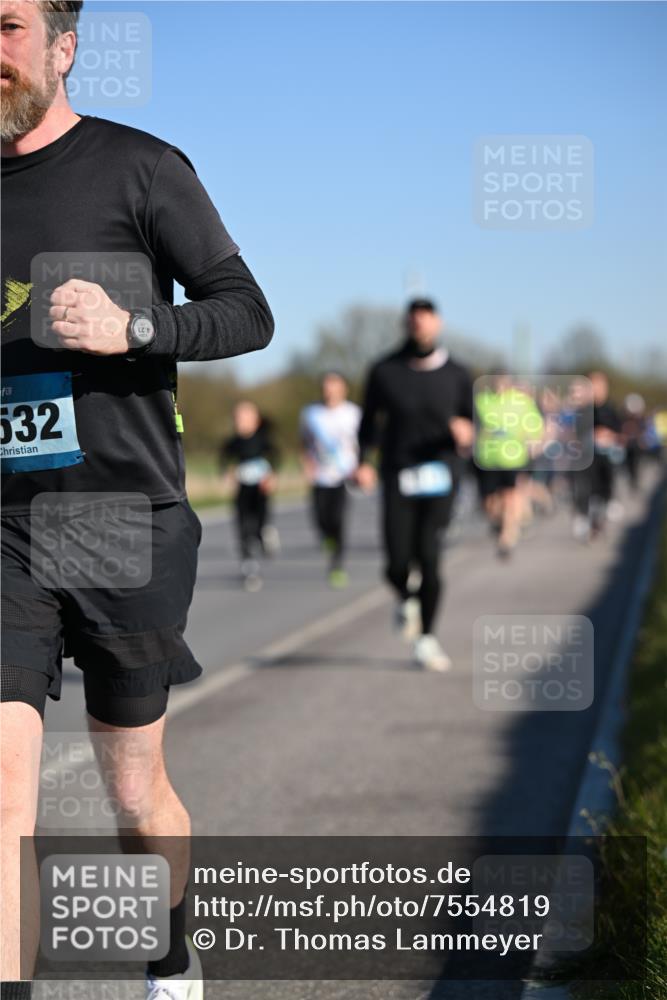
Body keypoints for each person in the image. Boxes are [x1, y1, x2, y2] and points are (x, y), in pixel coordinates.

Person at [0, 3, 274, 999]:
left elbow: (246, 310)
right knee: (2, 793)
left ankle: (168, 955)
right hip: (4, 527)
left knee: (133, 793)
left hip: (122, 519)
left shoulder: (141, 167)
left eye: (6, 26)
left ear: (63, 47)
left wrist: (137, 328)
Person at [356, 298, 473, 672]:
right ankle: (406, 598)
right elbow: (368, 425)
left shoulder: (457, 374)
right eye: (413, 321)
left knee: (430, 558)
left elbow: (472, 424)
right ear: (406, 326)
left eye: (426, 320)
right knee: (396, 562)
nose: (419, 326)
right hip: (398, 473)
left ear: (437, 324)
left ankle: (426, 638)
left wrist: (466, 433)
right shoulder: (385, 371)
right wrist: (363, 462)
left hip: (441, 474)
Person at [473, 371, 545, 559]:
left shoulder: (521, 402)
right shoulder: (482, 401)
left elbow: (535, 425)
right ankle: (499, 522)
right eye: (497, 382)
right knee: (488, 503)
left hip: (513, 457)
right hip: (487, 457)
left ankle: (507, 537)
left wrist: (534, 440)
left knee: (510, 495)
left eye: (504, 382)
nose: (500, 386)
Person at [300, 372, 361, 588]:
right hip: (320, 475)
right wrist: (306, 463)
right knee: (320, 518)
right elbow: (305, 442)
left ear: (343, 389)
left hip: (345, 475)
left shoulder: (354, 414)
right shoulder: (311, 414)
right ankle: (327, 537)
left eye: (334, 386)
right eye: (326, 387)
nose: (330, 391)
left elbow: (362, 444)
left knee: (339, 520)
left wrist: (362, 468)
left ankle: (337, 565)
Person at [221, 401, 279, 591]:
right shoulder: (233, 443)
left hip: (260, 492)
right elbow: (224, 461)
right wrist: (227, 475)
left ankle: (265, 534)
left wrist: (271, 476)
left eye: (245, 417)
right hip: (242, 492)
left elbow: (276, 458)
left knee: (259, 527)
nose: (241, 422)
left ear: (255, 420)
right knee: (243, 529)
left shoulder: (263, 440)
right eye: (237, 418)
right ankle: (249, 569)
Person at [571, 371, 623, 541]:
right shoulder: (584, 410)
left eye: (600, 386)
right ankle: (586, 519)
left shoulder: (611, 409)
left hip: (607, 458)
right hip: (587, 458)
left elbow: (621, 433)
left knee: (604, 489)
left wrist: (609, 435)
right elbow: (576, 433)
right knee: (586, 489)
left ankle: (602, 513)